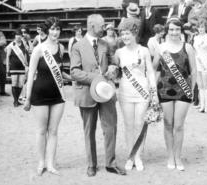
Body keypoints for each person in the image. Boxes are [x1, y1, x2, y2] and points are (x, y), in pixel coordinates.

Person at [70, 14, 126, 177]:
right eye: (102, 26)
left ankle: (110, 163)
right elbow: (74, 72)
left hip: (106, 93)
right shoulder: (77, 46)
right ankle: (91, 164)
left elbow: (113, 63)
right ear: (91, 26)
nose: (104, 28)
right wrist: (98, 77)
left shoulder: (105, 44)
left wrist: (114, 69)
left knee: (111, 128)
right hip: (87, 94)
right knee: (89, 130)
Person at [24, 17, 67, 176]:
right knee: (42, 131)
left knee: (54, 131)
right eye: (53, 29)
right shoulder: (39, 49)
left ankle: (50, 163)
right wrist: (28, 98)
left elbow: (60, 72)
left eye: (58, 29)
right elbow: (30, 75)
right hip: (40, 95)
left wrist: (77, 78)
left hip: (58, 96)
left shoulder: (61, 48)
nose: (56, 32)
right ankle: (41, 162)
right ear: (47, 30)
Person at [153, 17, 196, 171]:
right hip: (164, 90)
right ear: (167, 31)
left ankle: (178, 157)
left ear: (181, 31)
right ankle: (170, 156)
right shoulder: (161, 48)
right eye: (171, 29)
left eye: (177, 29)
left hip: (183, 91)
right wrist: (152, 91)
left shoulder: (188, 47)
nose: (174, 32)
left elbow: (194, 71)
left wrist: (192, 91)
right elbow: (154, 69)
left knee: (178, 125)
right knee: (168, 124)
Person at [114, 17, 157, 171]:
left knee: (140, 124)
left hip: (142, 92)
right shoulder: (118, 52)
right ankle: (130, 156)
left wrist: (154, 93)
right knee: (128, 125)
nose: (125, 37)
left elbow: (151, 73)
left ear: (135, 33)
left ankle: (138, 156)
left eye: (127, 33)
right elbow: (114, 72)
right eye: (122, 34)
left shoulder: (144, 50)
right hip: (125, 92)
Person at [193, 21, 207, 113]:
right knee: (200, 86)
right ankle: (201, 105)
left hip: (205, 60)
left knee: (206, 85)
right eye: (199, 27)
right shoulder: (195, 37)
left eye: (202, 27)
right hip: (197, 61)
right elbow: (194, 51)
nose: (201, 29)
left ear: (205, 28)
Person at [5, 29, 29, 107]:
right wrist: (7, 68)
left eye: (20, 35)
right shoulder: (11, 45)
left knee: (21, 84)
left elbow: (26, 54)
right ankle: (15, 101)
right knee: (14, 83)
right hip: (14, 67)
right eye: (17, 35)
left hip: (22, 66)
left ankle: (17, 99)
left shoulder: (24, 44)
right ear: (14, 36)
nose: (18, 36)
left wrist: (26, 65)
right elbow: (7, 57)